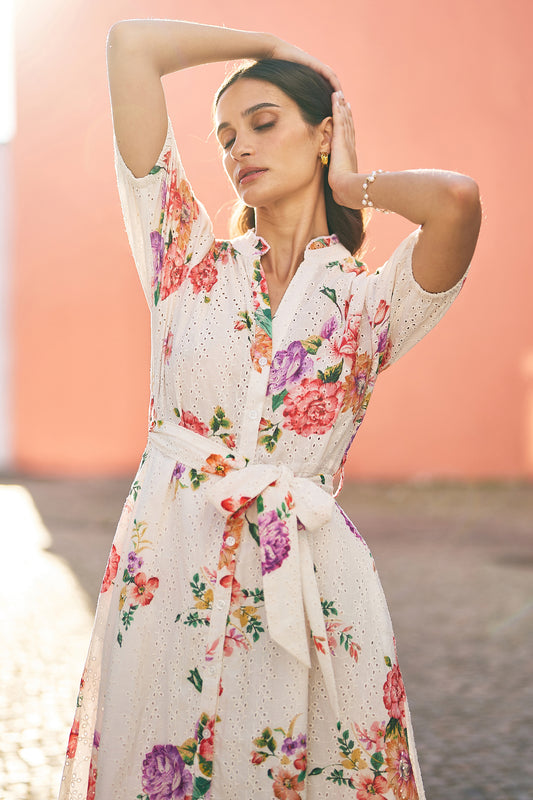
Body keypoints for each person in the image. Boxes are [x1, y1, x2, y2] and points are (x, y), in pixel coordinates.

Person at [59, 19, 481, 800]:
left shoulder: (366, 302)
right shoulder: (184, 258)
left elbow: (455, 202)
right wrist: (268, 45)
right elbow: (131, 46)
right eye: (225, 136)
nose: (238, 149)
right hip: (171, 569)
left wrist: (353, 187)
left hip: (307, 584)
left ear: (323, 136)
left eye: (262, 123)